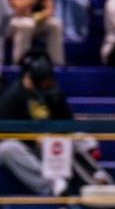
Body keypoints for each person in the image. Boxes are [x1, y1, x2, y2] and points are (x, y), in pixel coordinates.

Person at [0, 53, 72, 198]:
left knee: (81, 139)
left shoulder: (51, 92)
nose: (46, 86)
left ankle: (96, 177)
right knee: (6, 149)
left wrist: (58, 101)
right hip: (27, 148)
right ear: (29, 79)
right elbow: (6, 132)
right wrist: (33, 140)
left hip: (52, 143)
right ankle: (53, 184)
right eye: (42, 83)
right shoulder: (12, 97)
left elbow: (68, 121)